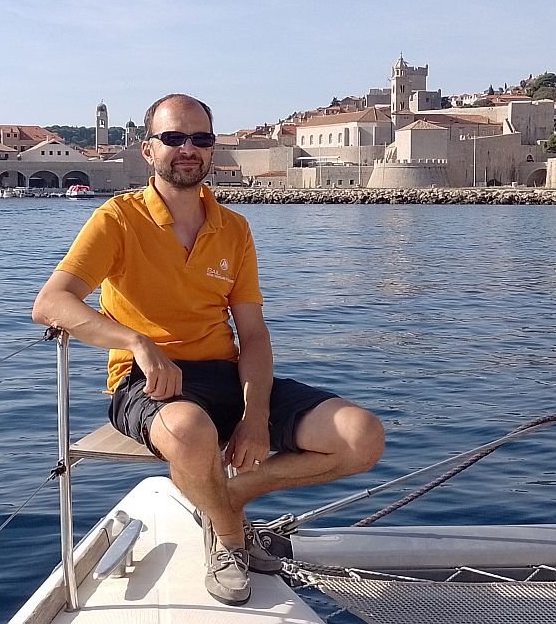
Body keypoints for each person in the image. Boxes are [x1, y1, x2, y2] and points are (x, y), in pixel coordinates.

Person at [32, 93, 384, 606]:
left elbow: (254, 335)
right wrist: (137, 342)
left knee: (362, 437)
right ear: (147, 150)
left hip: (225, 373)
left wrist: (256, 415)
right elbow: (51, 303)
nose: (187, 149)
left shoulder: (233, 228)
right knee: (192, 432)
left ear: (212, 150)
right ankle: (230, 539)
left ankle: (226, 502)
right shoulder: (118, 220)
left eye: (199, 138)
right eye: (172, 138)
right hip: (147, 380)